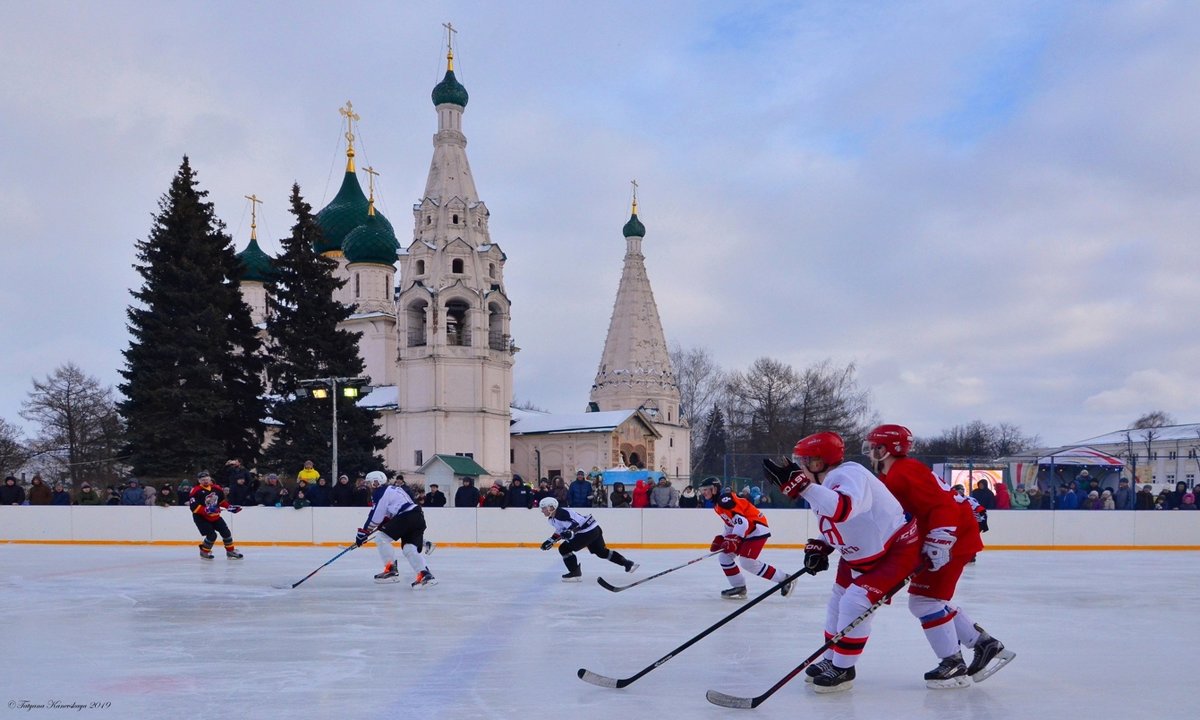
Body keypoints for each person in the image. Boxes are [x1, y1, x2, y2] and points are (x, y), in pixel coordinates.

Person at [762, 431, 921, 693]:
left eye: (805, 461)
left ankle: (844, 668)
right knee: (837, 602)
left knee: (855, 603)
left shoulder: (849, 474)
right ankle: (832, 659)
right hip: (859, 554)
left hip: (895, 550)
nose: (801, 467)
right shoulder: (823, 485)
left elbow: (843, 508)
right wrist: (822, 545)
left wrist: (803, 486)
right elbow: (838, 520)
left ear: (819, 462)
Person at [863, 424, 1013, 688]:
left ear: (887, 449)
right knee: (929, 601)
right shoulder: (893, 474)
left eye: (875, 446)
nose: (871, 451)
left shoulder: (904, 471)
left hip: (953, 540)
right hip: (952, 538)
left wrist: (940, 539)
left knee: (925, 602)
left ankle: (952, 663)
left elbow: (943, 504)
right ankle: (985, 645)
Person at [702, 486, 797, 600]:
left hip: (756, 528)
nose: (703, 492)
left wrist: (734, 538)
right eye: (702, 490)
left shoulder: (724, 500)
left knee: (747, 561)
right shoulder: (717, 505)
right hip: (747, 531)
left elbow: (743, 522)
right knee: (724, 557)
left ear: (714, 489)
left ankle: (785, 578)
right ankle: (739, 587)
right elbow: (730, 524)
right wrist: (723, 538)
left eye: (706, 489)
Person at [354, 470, 436, 588]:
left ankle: (391, 570)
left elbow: (376, 515)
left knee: (381, 538)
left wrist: (364, 531)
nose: (368, 485)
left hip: (406, 517)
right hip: (417, 516)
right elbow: (393, 509)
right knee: (409, 549)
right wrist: (387, 520)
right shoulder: (394, 489)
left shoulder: (380, 492)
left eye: (369, 482)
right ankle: (425, 574)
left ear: (376, 482)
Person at [537, 497, 638, 581]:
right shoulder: (552, 519)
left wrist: (571, 532)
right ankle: (627, 563)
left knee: (564, 549)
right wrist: (550, 540)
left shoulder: (562, 513)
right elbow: (560, 531)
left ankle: (574, 572)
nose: (542, 510)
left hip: (586, 533)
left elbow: (575, 524)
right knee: (601, 552)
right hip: (594, 529)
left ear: (551, 507)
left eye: (544, 508)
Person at [187, 471, 243, 559]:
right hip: (201, 518)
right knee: (212, 535)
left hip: (215, 516)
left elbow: (221, 502)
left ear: (210, 478)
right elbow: (194, 507)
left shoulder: (217, 488)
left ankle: (230, 551)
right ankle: (204, 551)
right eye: (202, 480)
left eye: (207, 479)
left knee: (226, 533)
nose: (205, 481)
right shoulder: (195, 491)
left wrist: (230, 508)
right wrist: (207, 510)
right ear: (199, 481)